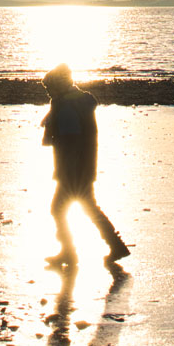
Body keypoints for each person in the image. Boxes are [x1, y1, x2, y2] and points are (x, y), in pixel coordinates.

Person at [40, 64, 130, 266]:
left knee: (59, 209)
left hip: (73, 170)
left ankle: (70, 252)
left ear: (60, 86)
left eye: (49, 88)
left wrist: (66, 171)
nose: (48, 93)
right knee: (88, 207)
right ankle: (115, 246)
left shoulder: (67, 108)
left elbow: (70, 140)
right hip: (83, 167)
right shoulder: (73, 102)